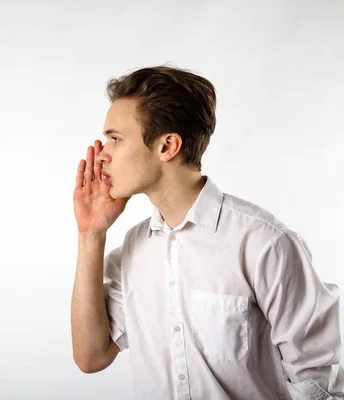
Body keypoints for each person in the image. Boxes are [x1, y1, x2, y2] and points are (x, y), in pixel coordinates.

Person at [70, 65, 344, 399]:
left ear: (167, 146)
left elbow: (316, 382)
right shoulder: (134, 248)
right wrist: (90, 233)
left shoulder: (263, 243)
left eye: (115, 139)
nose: (102, 156)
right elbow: (91, 357)